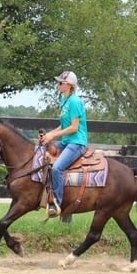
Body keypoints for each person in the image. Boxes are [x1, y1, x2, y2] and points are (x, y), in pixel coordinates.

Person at [38, 71, 88, 217]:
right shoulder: (63, 100)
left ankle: (57, 203)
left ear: (69, 85)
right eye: (58, 82)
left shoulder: (75, 102)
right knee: (43, 158)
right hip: (66, 142)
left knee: (57, 168)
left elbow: (74, 127)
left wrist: (52, 135)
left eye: (61, 82)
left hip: (77, 143)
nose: (58, 85)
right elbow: (63, 126)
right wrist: (48, 135)